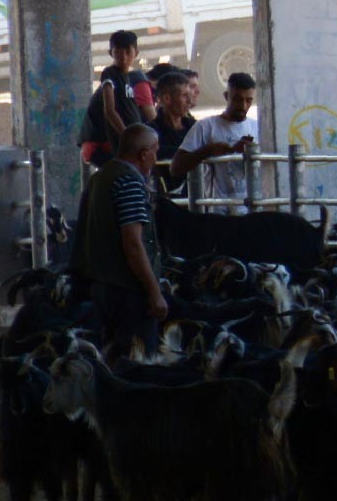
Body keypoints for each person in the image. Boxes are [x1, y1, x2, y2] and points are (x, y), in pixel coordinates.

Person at [73, 122, 168, 350]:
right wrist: (154, 292)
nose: (156, 158)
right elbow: (133, 244)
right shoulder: (130, 183)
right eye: (155, 151)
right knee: (138, 361)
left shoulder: (100, 177)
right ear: (144, 154)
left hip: (99, 286)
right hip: (127, 291)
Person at [176, 71, 263, 205]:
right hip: (217, 211)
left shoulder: (258, 128)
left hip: (250, 209)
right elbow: (176, 167)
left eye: (248, 100)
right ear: (226, 96)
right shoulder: (205, 127)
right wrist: (208, 151)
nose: (243, 106)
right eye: (238, 99)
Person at [79, 30, 154, 168]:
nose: (123, 57)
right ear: (111, 53)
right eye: (118, 52)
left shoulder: (128, 80)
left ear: (136, 53)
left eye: (128, 52)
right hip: (107, 146)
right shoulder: (109, 75)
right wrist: (127, 136)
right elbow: (110, 111)